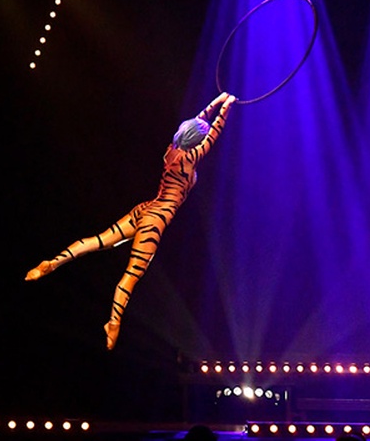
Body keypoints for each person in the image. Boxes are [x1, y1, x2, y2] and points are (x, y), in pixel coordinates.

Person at [25, 92, 237, 350]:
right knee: (132, 274)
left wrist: (217, 101)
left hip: (144, 209)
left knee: (98, 240)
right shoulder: (191, 159)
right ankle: (113, 322)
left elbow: (200, 123)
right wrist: (227, 106)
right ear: (196, 141)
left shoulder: (171, 151)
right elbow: (214, 131)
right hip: (155, 220)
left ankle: (53, 262)